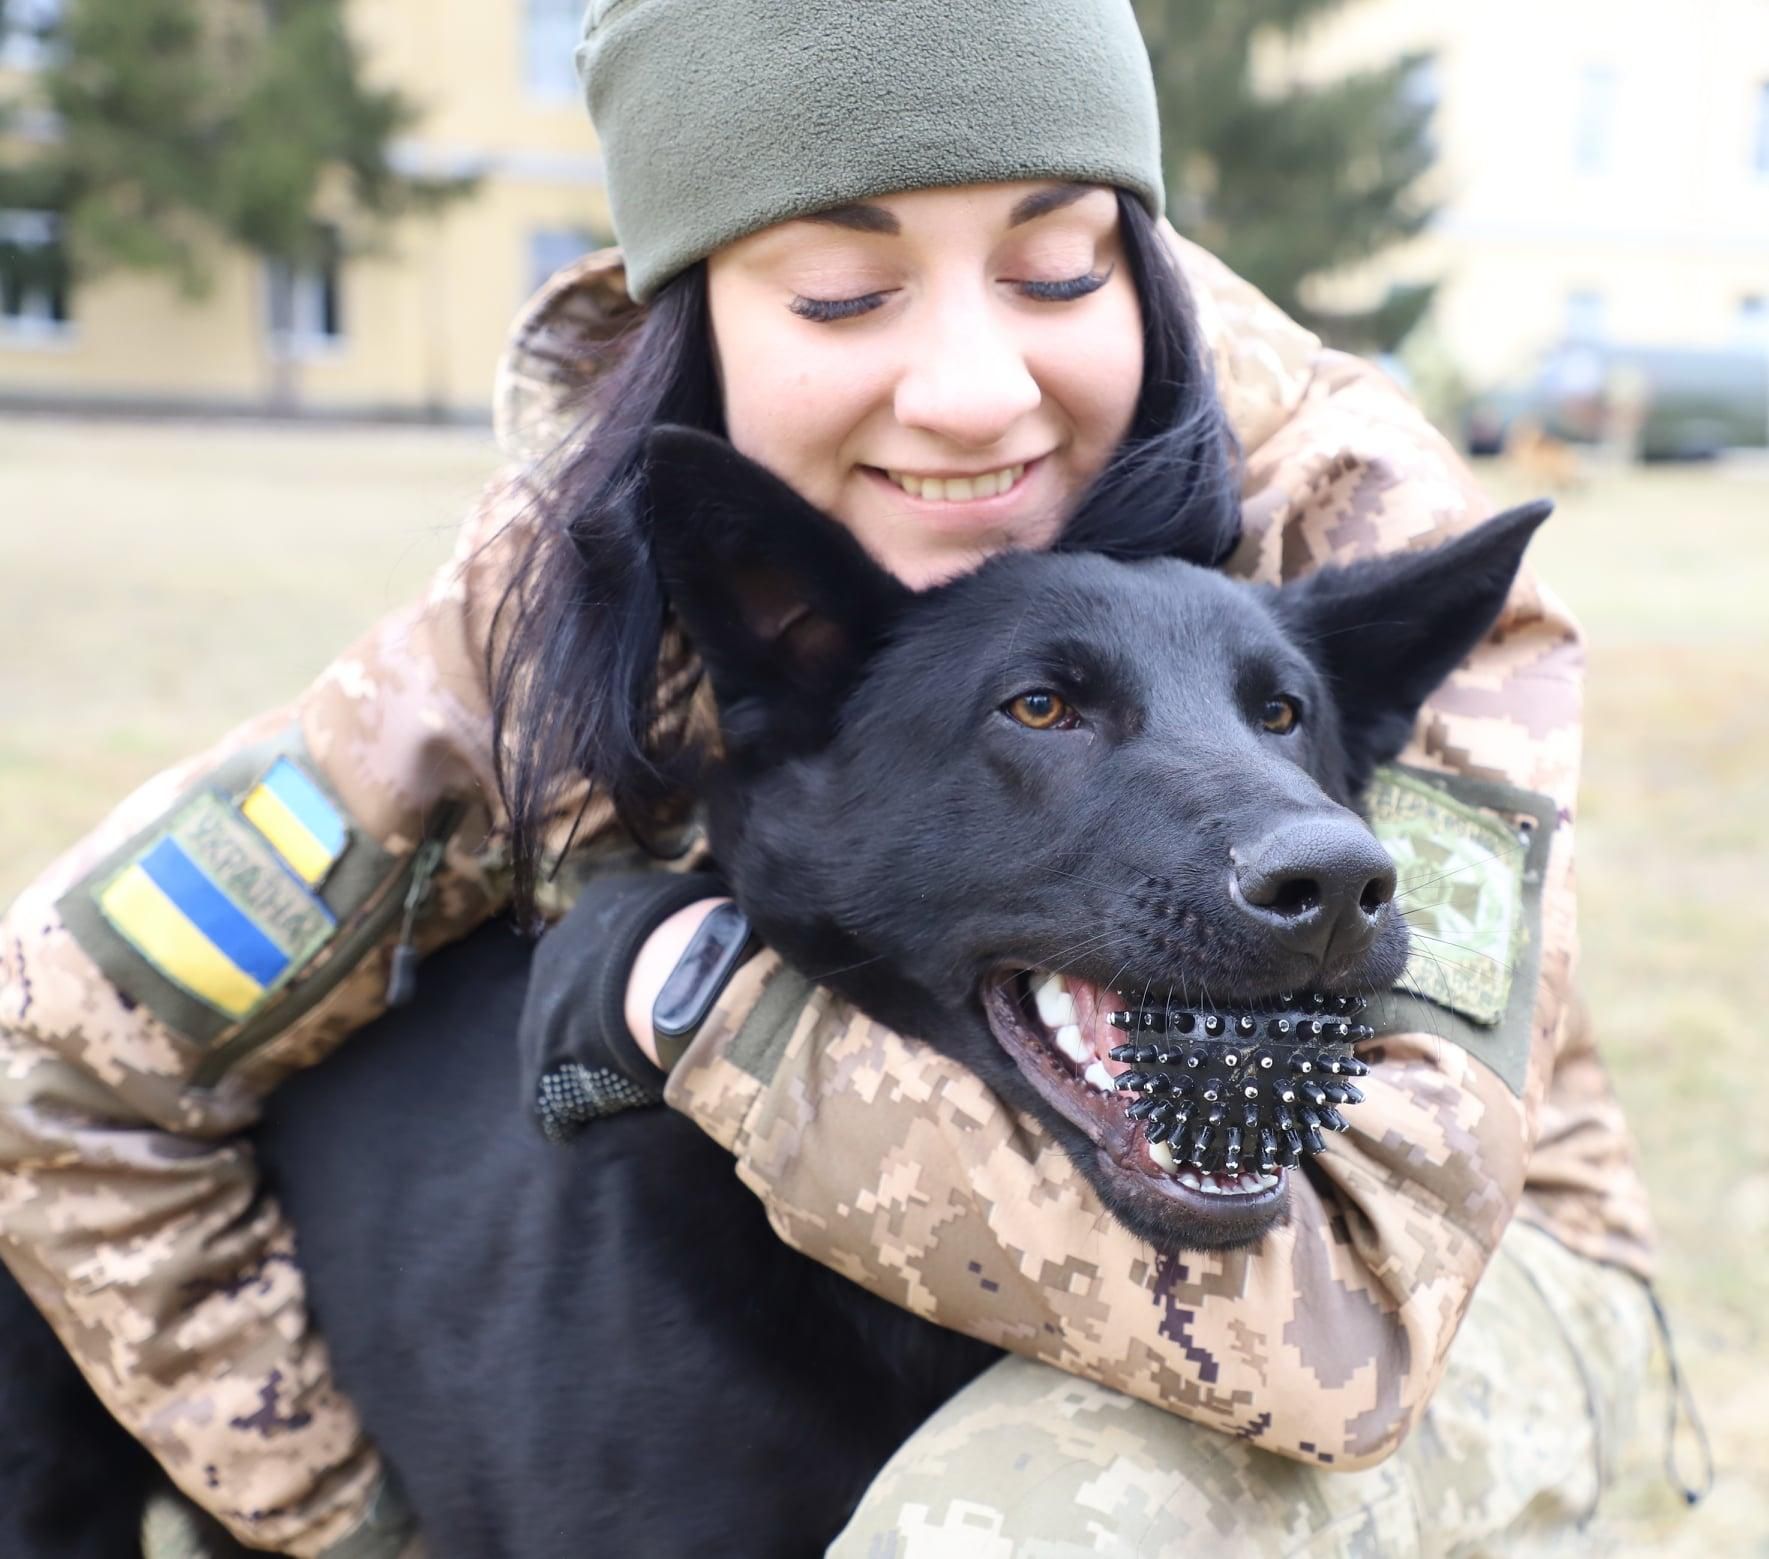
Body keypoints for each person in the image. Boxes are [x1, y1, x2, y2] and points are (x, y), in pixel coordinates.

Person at [0, 2, 1682, 1554]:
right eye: (839, 294)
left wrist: (696, 1003)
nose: (973, 392)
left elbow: (1345, 1333)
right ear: (692, 324)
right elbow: (53, 1061)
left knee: (1012, 1522)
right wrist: (354, 1522)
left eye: (1056, 271)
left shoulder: (1361, 521)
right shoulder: (533, 625)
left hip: (1472, 1284)